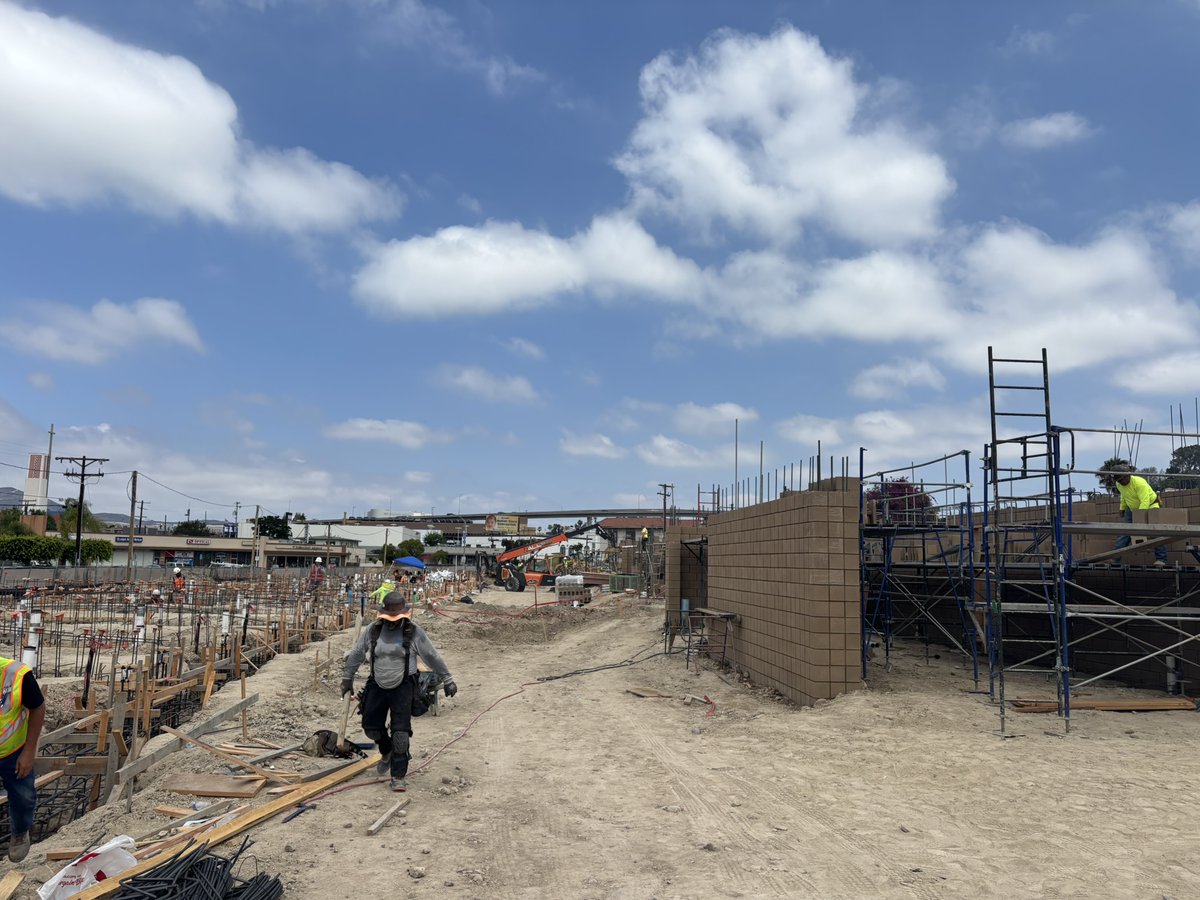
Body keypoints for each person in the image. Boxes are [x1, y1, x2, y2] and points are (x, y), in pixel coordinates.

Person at [341, 592, 457, 792]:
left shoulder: (413, 632)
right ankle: (386, 751)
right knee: (371, 728)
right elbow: (357, 653)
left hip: (403, 686)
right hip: (377, 684)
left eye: (396, 619)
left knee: (400, 733)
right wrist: (347, 678)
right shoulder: (373, 631)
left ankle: (398, 775)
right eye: (389, 619)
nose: (392, 623)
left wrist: (447, 679)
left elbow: (431, 656)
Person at [0, 655, 46, 861]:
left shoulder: (16, 674)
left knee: (24, 796)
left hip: (13, 752)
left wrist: (28, 752)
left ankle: (20, 832)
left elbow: (37, 707)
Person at [1106, 464, 1169, 567]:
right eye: (1118, 481)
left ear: (1128, 476)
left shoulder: (1139, 483)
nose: (1120, 482)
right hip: (1132, 509)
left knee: (1155, 531)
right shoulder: (1119, 484)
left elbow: (1145, 500)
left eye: (1121, 480)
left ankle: (1161, 559)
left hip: (1150, 506)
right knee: (1125, 533)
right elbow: (1124, 496)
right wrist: (1122, 508)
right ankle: (1115, 558)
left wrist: (1140, 517)